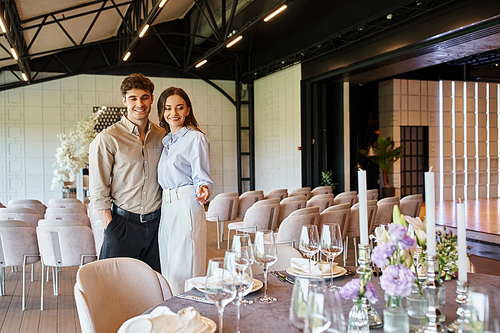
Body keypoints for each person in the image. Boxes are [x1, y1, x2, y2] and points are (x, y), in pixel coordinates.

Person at [89, 73, 165, 272]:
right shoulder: (108, 138)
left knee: (153, 287)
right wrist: (110, 226)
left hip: (157, 225)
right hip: (122, 225)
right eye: (133, 98)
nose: (139, 103)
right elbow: (98, 187)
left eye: (144, 97)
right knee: (114, 288)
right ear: (124, 101)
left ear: (151, 98)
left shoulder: (162, 135)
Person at [156, 87, 212, 295]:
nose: (174, 113)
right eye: (168, 108)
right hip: (167, 205)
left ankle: (191, 317)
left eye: (179, 107)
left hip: (186, 202)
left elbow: (201, 175)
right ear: (162, 112)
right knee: (169, 266)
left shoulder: (195, 138)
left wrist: (204, 189)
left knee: (186, 267)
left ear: (188, 110)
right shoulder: (167, 141)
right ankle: (173, 316)